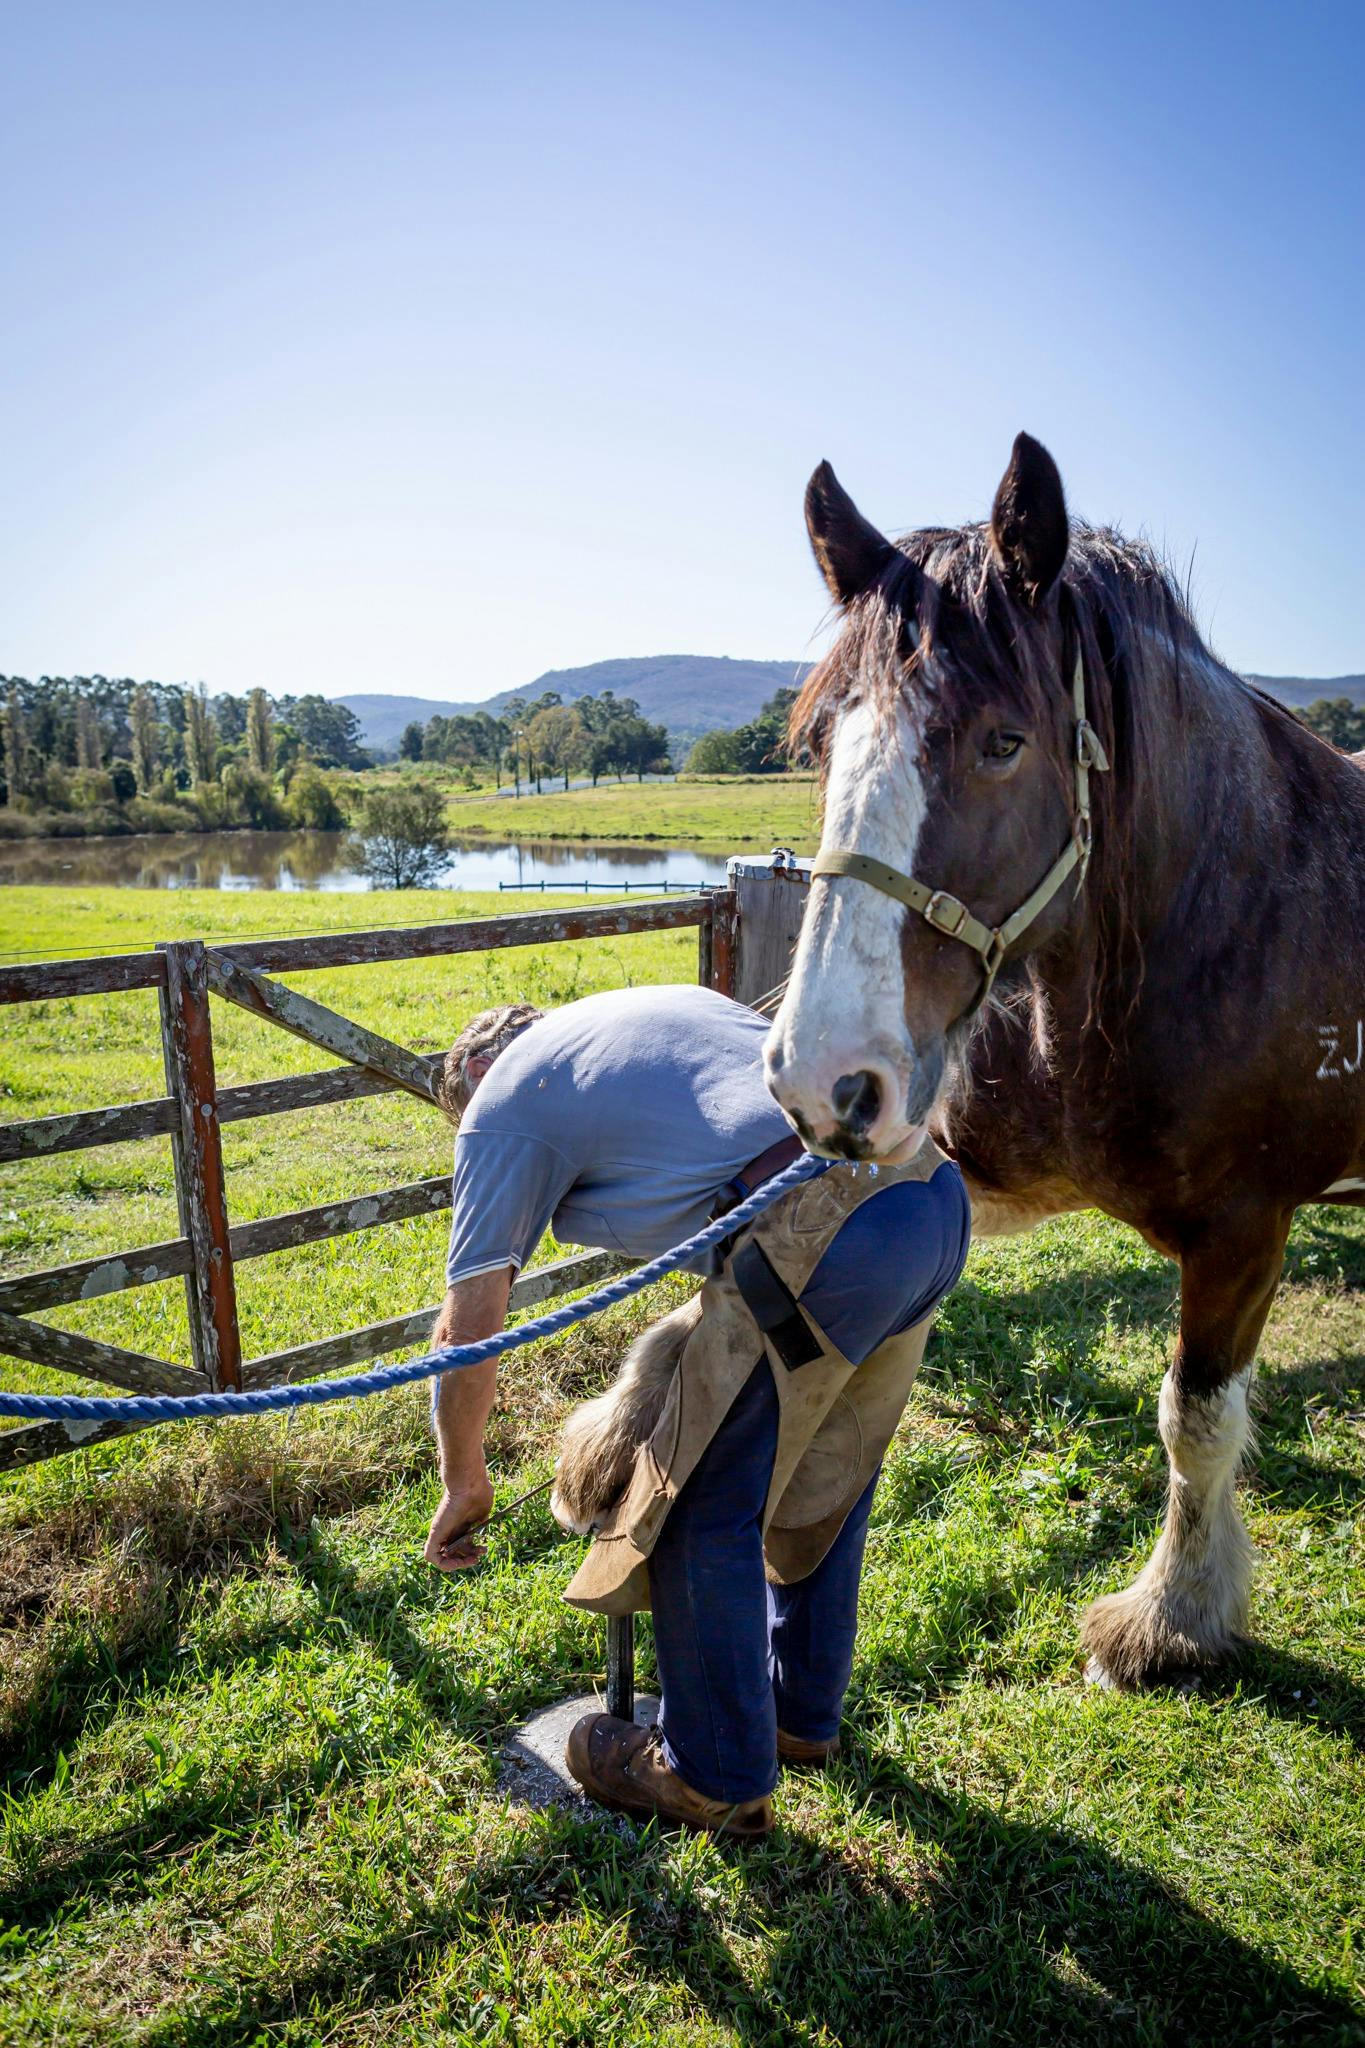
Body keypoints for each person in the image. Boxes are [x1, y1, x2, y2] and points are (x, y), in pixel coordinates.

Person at [425, 984, 970, 1837]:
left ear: (476, 1079)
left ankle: (712, 1773)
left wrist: (463, 1478)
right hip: (925, 1199)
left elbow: (467, 1325)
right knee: (829, 1463)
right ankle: (798, 1718)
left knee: (698, 1507)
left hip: (813, 1240)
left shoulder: (499, 1105)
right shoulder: (650, 1013)